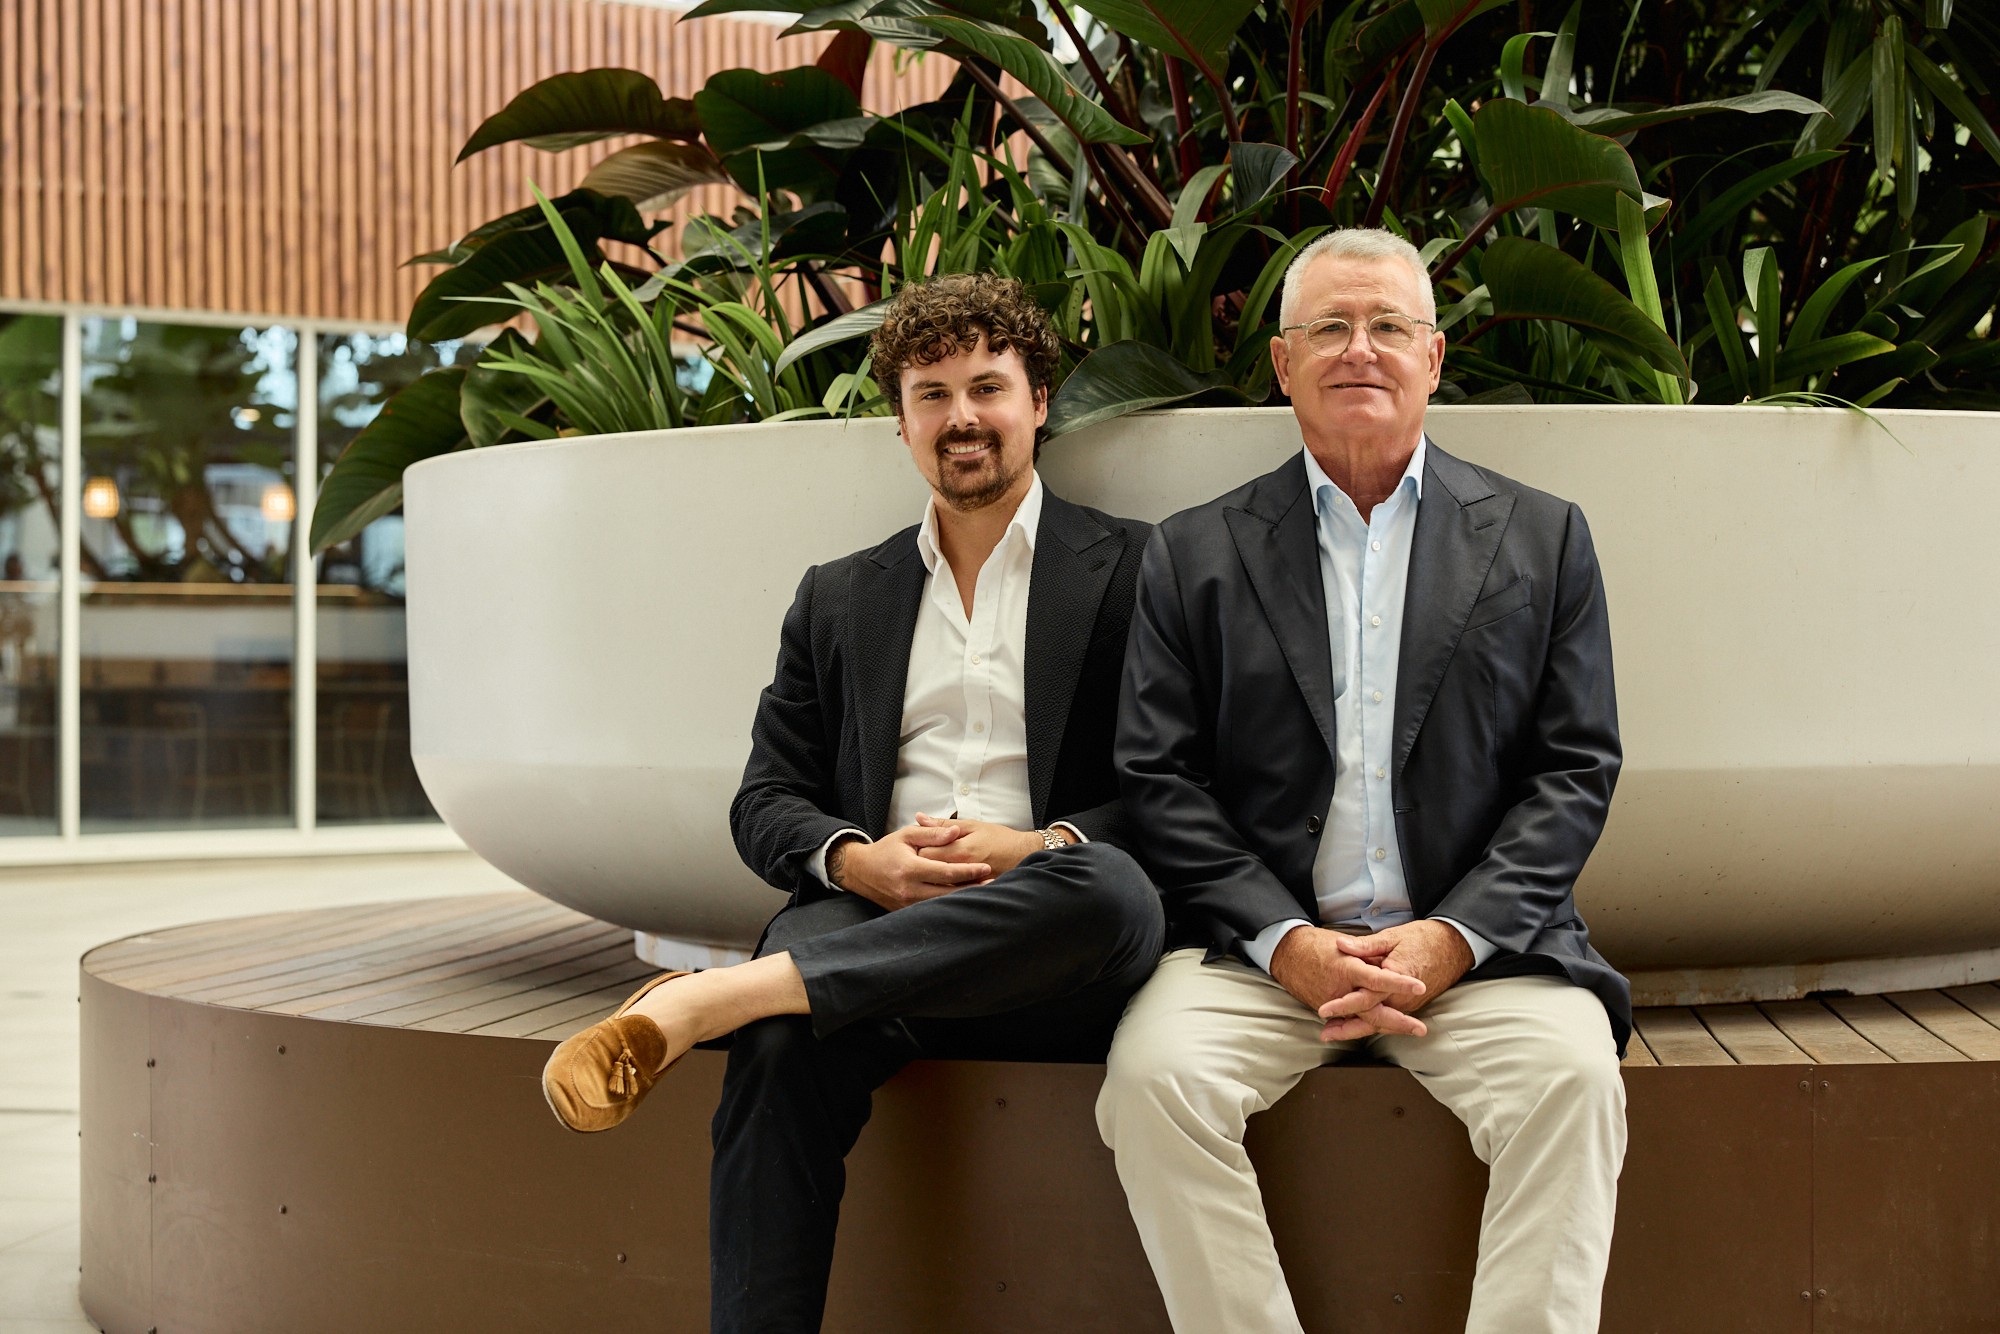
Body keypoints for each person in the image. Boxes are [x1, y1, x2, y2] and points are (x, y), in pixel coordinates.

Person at [539, 272, 1164, 1333]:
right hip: (869, 908)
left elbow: (1179, 788)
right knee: (783, 1049)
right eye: (931, 392)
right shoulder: (839, 593)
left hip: (1047, 927)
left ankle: (715, 999)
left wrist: (1031, 844)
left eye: (986, 386)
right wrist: (851, 859)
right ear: (900, 420)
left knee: (1109, 888)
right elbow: (765, 796)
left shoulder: (1138, 568)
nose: (961, 416)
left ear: (1038, 401)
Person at [1098, 228, 1631, 1334]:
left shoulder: (1541, 537)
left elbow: (1573, 768)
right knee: (1152, 1084)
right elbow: (1158, 776)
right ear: (1282, 365)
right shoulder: (1191, 551)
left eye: (1386, 325)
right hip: (1259, 957)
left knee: (1573, 1085)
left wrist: (1452, 936)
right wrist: (1283, 941)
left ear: (1433, 357)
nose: (1359, 349)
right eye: (1327, 327)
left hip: (1481, 958)